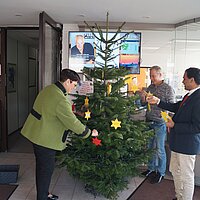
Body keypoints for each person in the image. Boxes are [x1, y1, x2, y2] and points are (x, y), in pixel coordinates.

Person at [21, 69, 98, 200]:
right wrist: (89, 133)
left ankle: (44, 194)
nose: (73, 88)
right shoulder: (60, 99)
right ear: (68, 81)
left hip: (36, 133)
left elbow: (53, 110)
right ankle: (42, 197)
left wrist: (73, 113)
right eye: (74, 85)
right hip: (44, 139)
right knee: (45, 170)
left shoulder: (49, 89)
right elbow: (72, 123)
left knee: (42, 168)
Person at [146, 67, 200, 200]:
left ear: (192, 80)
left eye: (184, 78)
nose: (182, 81)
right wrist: (158, 101)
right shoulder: (190, 95)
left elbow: (197, 127)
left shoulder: (198, 98)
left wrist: (175, 125)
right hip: (178, 143)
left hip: (187, 145)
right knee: (175, 171)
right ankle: (179, 196)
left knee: (186, 176)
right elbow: (176, 106)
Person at [140, 65, 175, 184]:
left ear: (161, 75)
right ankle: (151, 168)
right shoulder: (150, 87)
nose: (152, 78)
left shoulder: (168, 89)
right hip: (149, 120)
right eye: (150, 76)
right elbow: (143, 104)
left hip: (160, 123)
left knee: (160, 149)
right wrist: (143, 99)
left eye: (154, 76)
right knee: (150, 148)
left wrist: (158, 101)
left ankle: (161, 172)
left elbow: (171, 106)